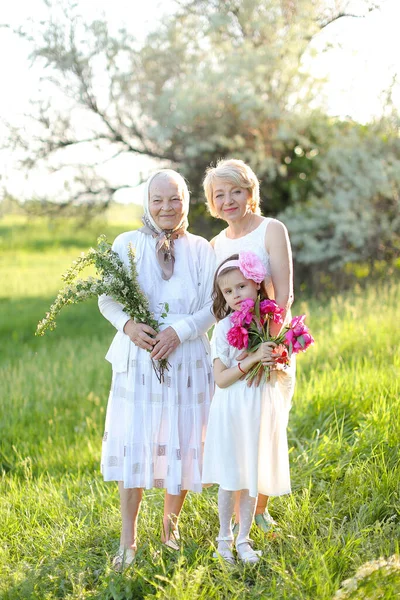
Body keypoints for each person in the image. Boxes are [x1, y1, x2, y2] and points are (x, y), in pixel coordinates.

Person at [98, 169, 216, 569]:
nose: (166, 208)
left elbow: (214, 306)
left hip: (187, 359)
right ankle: (127, 541)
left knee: (180, 442)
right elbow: (107, 300)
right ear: (146, 202)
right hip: (139, 358)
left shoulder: (201, 248)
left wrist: (179, 332)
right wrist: (130, 326)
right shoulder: (126, 244)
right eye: (158, 200)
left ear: (186, 202)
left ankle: (170, 529)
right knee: (135, 443)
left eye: (175, 200)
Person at [203, 158, 295, 534]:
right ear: (212, 202)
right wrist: (239, 352)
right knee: (241, 430)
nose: (228, 201)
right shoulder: (215, 244)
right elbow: (221, 302)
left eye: (235, 192)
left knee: (269, 426)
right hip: (236, 351)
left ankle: (259, 508)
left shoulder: (272, 230)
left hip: (270, 344)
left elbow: (284, 296)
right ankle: (237, 521)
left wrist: (266, 350)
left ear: (250, 193)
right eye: (219, 195)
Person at [202, 252, 293, 564]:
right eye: (228, 291)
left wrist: (276, 361)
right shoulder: (223, 328)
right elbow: (222, 379)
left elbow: (280, 368)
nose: (236, 295)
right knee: (231, 476)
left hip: (258, 408)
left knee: (253, 474)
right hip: (232, 409)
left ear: (256, 284)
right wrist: (253, 359)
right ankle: (224, 540)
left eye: (241, 286)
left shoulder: (270, 323)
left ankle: (244, 539)